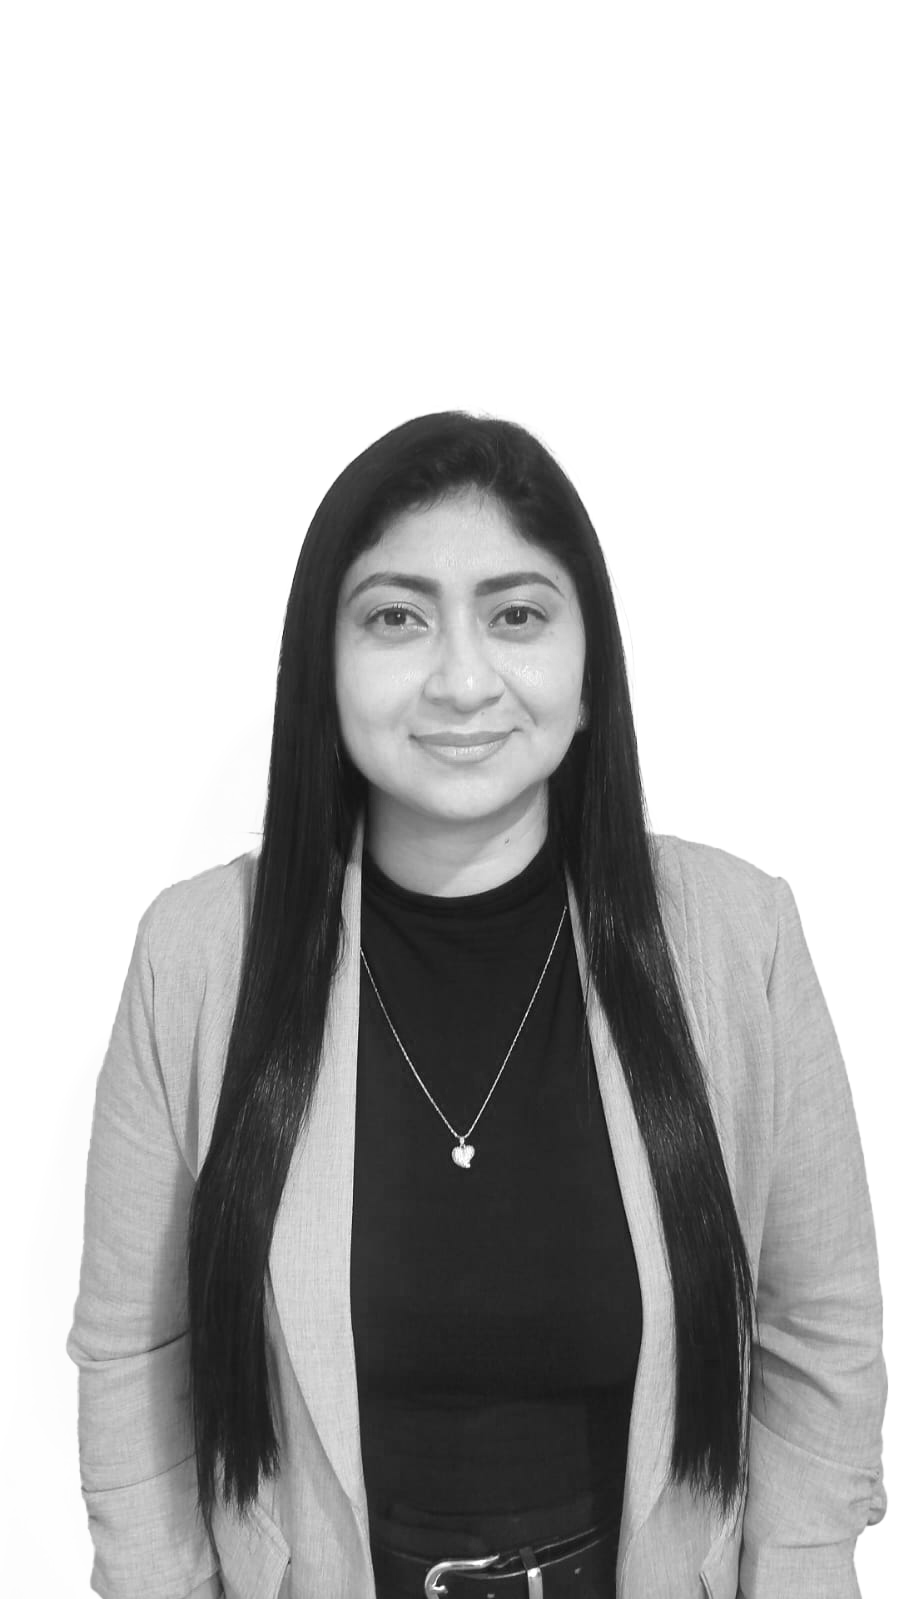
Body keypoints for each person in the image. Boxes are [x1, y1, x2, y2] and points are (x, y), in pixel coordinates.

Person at [67, 412, 886, 1599]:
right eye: (396, 617)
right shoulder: (198, 956)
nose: (460, 679)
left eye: (516, 615)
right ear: (322, 665)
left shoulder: (734, 937)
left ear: (588, 667)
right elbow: (134, 1360)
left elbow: (819, 1337)